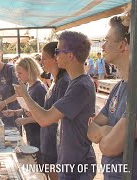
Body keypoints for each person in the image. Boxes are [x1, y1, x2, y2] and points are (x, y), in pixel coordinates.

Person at [14, 31, 96, 179]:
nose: (55, 55)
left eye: (57, 51)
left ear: (70, 55)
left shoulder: (80, 86)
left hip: (77, 166)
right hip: (69, 162)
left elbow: (45, 119)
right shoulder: (74, 82)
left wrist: (25, 94)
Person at [87, 11, 137, 179]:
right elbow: (90, 129)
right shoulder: (119, 87)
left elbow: (109, 147)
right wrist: (108, 130)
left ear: (122, 45)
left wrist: (104, 131)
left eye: (107, 40)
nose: (102, 46)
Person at [2, 57, 46, 149]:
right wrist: (15, 112)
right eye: (16, 73)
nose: (17, 76)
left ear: (30, 71)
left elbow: (44, 115)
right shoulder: (28, 86)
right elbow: (28, 109)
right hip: (31, 134)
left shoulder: (39, 89)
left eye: (20, 73)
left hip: (39, 136)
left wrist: (25, 120)